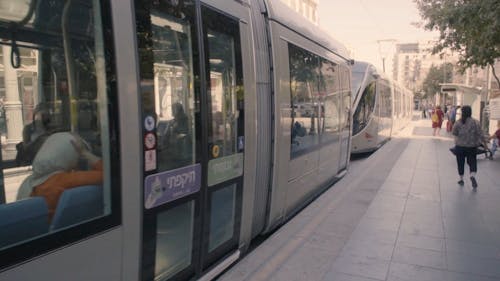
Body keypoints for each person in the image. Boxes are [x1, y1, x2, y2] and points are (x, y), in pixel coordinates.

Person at [16, 132, 103, 220]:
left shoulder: (28, 182)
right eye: (76, 155)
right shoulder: (64, 180)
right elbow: (107, 173)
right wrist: (84, 152)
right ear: (68, 154)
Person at [451, 105, 485, 189]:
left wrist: (457, 140)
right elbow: (481, 134)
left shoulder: (458, 122)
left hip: (460, 146)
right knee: (472, 162)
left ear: (462, 112)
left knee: (460, 163)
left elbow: (454, 133)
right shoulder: (476, 122)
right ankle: (472, 175)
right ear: (470, 112)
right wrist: (481, 143)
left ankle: (461, 179)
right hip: (472, 147)